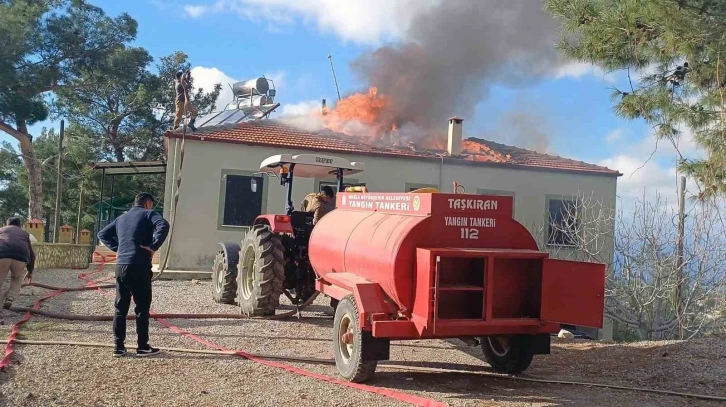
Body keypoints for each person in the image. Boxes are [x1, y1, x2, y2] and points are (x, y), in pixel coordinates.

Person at [98, 193, 170, 357]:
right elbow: (163, 225)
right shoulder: (148, 214)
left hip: (121, 266)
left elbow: (102, 234)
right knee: (142, 308)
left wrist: (118, 249)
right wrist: (153, 246)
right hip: (140, 265)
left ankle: (118, 347)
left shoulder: (121, 219)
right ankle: (142, 346)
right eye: (151, 204)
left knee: (120, 307)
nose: (151, 207)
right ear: (147, 203)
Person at [0, 217, 35, 309]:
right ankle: (10, 297)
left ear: (7, 224)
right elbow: (32, 254)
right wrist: (30, 271)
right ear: (20, 225)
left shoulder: (1, 230)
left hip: (2, 255)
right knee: (17, 277)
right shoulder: (24, 234)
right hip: (20, 257)